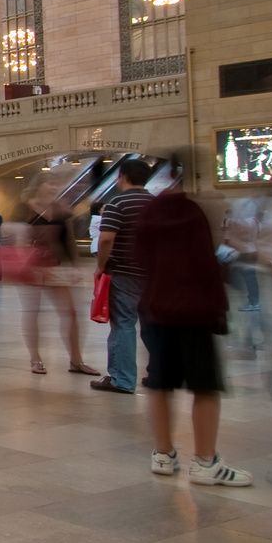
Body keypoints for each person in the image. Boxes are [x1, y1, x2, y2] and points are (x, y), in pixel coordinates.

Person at [137, 186, 254, 486]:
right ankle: (205, 462)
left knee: (159, 383)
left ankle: (163, 454)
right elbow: (206, 266)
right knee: (204, 386)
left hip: (155, 307)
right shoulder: (193, 215)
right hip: (193, 311)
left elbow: (139, 256)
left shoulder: (151, 215)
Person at [14, 179, 94, 376]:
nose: (54, 187)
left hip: (56, 265)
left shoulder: (61, 208)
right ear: (39, 185)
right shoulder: (24, 208)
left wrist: (75, 266)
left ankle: (76, 360)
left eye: (56, 184)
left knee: (71, 312)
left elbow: (69, 240)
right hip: (32, 267)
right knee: (33, 311)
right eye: (50, 183)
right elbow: (15, 238)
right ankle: (35, 359)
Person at [93, 158, 154, 395]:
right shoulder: (156, 203)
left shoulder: (117, 203)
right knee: (152, 324)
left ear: (123, 176)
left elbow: (107, 238)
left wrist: (101, 265)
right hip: (154, 273)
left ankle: (123, 379)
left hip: (125, 271)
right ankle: (158, 373)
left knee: (124, 325)